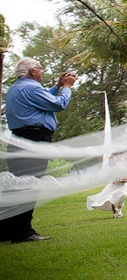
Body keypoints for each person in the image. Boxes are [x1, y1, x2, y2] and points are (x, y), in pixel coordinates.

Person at [0, 57, 77, 242]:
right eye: (40, 68)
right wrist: (67, 87)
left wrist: (57, 86)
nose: (42, 72)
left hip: (18, 139)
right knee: (30, 184)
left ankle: (6, 230)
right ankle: (23, 232)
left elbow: (42, 100)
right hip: (34, 138)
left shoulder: (16, 89)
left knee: (17, 185)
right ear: (33, 71)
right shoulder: (31, 87)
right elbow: (58, 104)